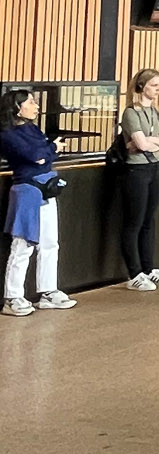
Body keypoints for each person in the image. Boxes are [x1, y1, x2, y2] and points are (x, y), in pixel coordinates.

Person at [1, 88, 76, 316]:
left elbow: (42, 152)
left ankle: (48, 291)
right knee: (23, 245)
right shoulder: (7, 134)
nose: (36, 106)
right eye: (31, 102)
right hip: (27, 191)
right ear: (17, 108)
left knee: (50, 242)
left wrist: (47, 150)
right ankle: (13, 296)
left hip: (47, 189)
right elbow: (37, 155)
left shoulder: (33, 129)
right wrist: (51, 148)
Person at [119, 68, 159, 291]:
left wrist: (150, 141)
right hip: (137, 170)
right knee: (134, 221)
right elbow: (140, 145)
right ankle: (134, 273)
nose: (158, 90)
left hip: (155, 167)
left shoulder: (155, 111)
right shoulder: (131, 112)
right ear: (142, 86)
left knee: (149, 220)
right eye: (154, 86)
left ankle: (149, 268)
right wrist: (153, 142)